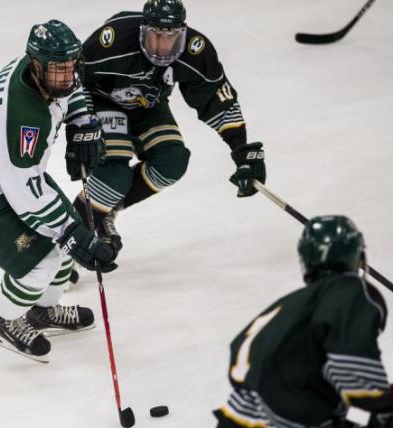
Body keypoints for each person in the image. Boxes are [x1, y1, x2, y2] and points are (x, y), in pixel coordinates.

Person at [0, 20, 118, 363]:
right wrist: (71, 233)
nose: (67, 77)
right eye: (59, 70)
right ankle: (4, 320)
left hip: (11, 173)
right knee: (46, 258)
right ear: (37, 65)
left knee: (64, 240)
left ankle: (41, 311)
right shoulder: (19, 114)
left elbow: (74, 89)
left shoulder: (46, 71)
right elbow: (23, 191)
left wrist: (83, 125)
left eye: (71, 67)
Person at [209, 215, 393, 428]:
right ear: (360, 258)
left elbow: (296, 394)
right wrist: (385, 411)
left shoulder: (287, 308)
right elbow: (352, 371)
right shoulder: (349, 292)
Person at [72, 0, 267, 252]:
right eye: (157, 36)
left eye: (172, 37)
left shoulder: (196, 50)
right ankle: (64, 248)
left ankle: (107, 209)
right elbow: (74, 78)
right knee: (114, 174)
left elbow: (216, 97)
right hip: (103, 100)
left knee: (172, 162)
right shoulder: (114, 39)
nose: (164, 46)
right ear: (144, 30)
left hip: (148, 105)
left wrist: (241, 151)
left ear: (182, 32)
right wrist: (80, 125)